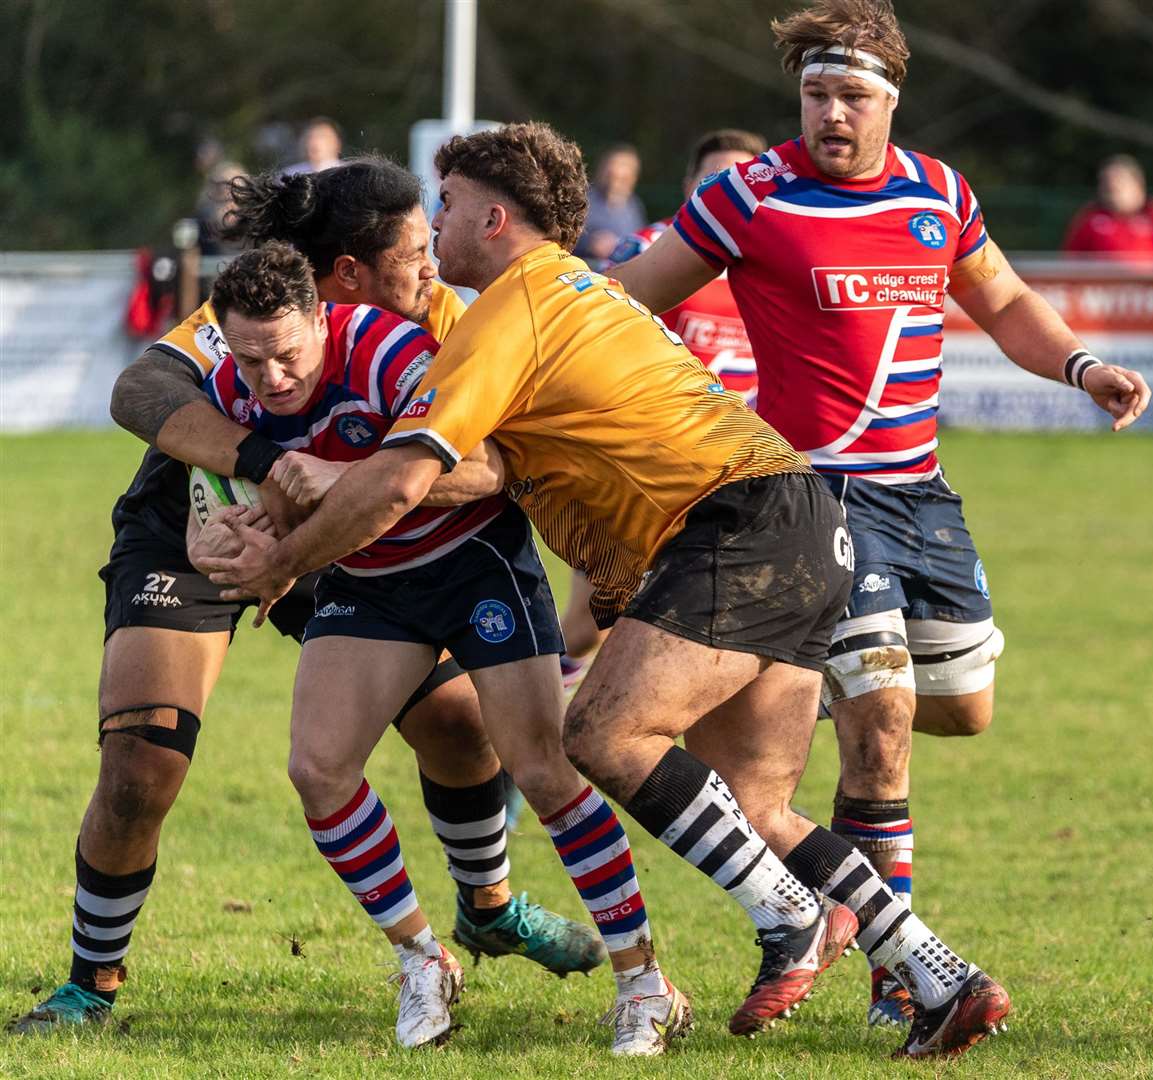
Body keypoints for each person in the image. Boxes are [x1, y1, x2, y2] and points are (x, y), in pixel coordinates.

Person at [201, 120, 1010, 1060]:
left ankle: (788, 914)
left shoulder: (514, 306)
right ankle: (943, 977)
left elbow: (405, 479)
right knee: (758, 805)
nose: (435, 232)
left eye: (448, 208)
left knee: (600, 735)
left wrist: (279, 563)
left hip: (733, 525)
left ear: (494, 217)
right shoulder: (576, 288)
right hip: (799, 521)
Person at [609, 0, 1150, 1034]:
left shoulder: (936, 193)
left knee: (960, 711)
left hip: (924, 502)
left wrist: (1080, 365)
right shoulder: (750, 195)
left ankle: (795, 676)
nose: (828, 113)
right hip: (816, 502)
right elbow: (629, 296)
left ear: (889, 101)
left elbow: (1001, 304)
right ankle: (898, 981)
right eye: (813, 93)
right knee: (884, 733)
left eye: (850, 95)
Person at [7, 159, 601, 1039]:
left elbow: (483, 462)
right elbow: (139, 389)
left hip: (345, 525)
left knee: (460, 724)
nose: (432, 259)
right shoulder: (252, 319)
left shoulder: (431, 318)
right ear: (349, 275)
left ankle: (489, 908)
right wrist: (263, 469)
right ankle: (92, 983)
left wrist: (320, 502)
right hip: (197, 530)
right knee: (144, 759)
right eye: (411, 247)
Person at [196, 242, 680, 1054]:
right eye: (250, 362)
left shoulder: (393, 353)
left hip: (473, 566)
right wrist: (225, 540)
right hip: (369, 582)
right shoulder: (227, 392)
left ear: (322, 317)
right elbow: (212, 505)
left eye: (285, 355)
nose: (270, 379)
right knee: (318, 769)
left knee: (544, 770)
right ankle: (423, 961)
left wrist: (340, 479)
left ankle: (644, 983)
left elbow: (490, 469)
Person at [560, 128, 768, 688]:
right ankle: (525, 717)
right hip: (648, 466)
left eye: (741, 179)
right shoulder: (648, 251)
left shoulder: (773, 263)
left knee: (693, 630)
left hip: (746, 472)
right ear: (688, 186)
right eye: (713, 178)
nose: (727, 189)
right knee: (588, 626)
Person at [1064, 154, 1153, 264]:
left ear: (1137, 184)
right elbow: (1072, 260)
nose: (1112, 186)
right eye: (1105, 182)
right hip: (1104, 280)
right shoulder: (1089, 217)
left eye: (1119, 181)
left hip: (1146, 280)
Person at [573, 143, 646, 268]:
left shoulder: (634, 206)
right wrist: (590, 243)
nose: (616, 183)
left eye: (623, 178)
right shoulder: (582, 200)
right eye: (612, 176)